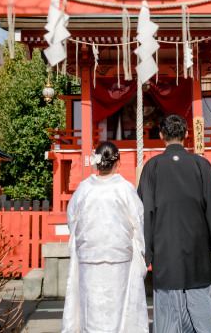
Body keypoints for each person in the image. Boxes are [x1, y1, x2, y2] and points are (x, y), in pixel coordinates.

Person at [137, 114, 211, 333]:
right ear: (187, 135)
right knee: (201, 315)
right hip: (197, 251)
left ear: (161, 136)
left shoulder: (152, 167)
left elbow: (144, 212)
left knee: (168, 319)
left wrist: (147, 251)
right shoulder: (202, 165)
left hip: (165, 251)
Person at [61, 141, 148, 333]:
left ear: (96, 162)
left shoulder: (83, 189)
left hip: (89, 258)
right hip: (119, 259)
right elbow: (138, 222)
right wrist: (142, 250)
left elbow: (72, 222)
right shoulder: (125, 189)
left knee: (90, 309)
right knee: (119, 310)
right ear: (118, 162)